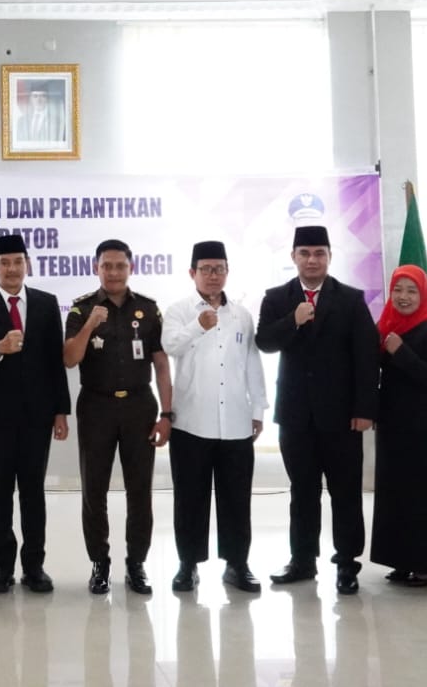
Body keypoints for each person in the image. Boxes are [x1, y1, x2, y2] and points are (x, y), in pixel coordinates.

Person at [255, 225, 378, 595]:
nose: (312, 260)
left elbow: (366, 357)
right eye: (305, 253)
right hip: (296, 415)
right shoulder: (277, 298)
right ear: (293, 257)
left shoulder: (350, 299)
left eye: (319, 253)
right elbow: (265, 341)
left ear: (329, 257)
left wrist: (364, 409)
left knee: (346, 491)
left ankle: (347, 564)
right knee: (303, 491)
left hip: (342, 416)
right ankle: (303, 560)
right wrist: (293, 320)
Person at [0, 233, 70, 594]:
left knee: (33, 492)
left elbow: (55, 361)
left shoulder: (46, 303)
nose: (11, 269)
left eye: (18, 262)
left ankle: (34, 566)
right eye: (4, 263)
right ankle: (2, 567)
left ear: (28, 265)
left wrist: (61, 411)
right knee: (0, 492)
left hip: (38, 416)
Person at [66, 239, 172, 596]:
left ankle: (136, 563)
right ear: (96, 268)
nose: (113, 272)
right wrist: (90, 324)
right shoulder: (82, 308)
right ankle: (100, 562)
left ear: (131, 268)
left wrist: (166, 413)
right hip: (96, 407)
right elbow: (70, 359)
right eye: (106, 266)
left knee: (139, 490)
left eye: (120, 266)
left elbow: (161, 364)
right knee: (93, 489)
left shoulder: (148, 309)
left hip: (140, 407)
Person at [163, 240, 266, 594]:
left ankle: (237, 564)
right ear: (192, 273)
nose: (212, 276)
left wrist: (257, 408)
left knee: (236, 497)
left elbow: (252, 362)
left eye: (219, 269)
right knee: (190, 498)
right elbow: (170, 346)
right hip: (190, 422)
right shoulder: (178, 311)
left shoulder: (241, 315)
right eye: (205, 269)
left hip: (236, 421)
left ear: (227, 272)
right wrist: (198, 325)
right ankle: (187, 565)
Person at [367, 265, 427, 587]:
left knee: (423, 494)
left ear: (424, 294)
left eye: (411, 290)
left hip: (426, 427)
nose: (403, 297)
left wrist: (401, 352)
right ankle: (400, 560)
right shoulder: (387, 326)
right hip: (394, 423)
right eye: (398, 290)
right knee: (395, 493)